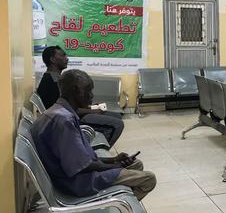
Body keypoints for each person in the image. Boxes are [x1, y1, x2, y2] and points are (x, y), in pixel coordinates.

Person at [31, 69, 156, 200]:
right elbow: (81, 166)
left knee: (136, 164)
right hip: (78, 183)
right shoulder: (64, 121)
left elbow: (80, 159)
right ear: (76, 90)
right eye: (88, 90)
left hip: (73, 175)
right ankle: (119, 211)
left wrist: (114, 159)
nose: (91, 95)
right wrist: (115, 166)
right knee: (149, 179)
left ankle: (118, 197)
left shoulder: (58, 112)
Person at [36, 46, 124, 146]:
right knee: (117, 125)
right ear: (53, 59)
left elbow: (68, 104)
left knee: (117, 116)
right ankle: (97, 150)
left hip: (72, 115)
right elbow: (65, 110)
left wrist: (91, 107)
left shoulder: (56, 78)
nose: (67, 58)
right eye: (63, 55)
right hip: (69, 121)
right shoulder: (52, 82)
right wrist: (93, 110)